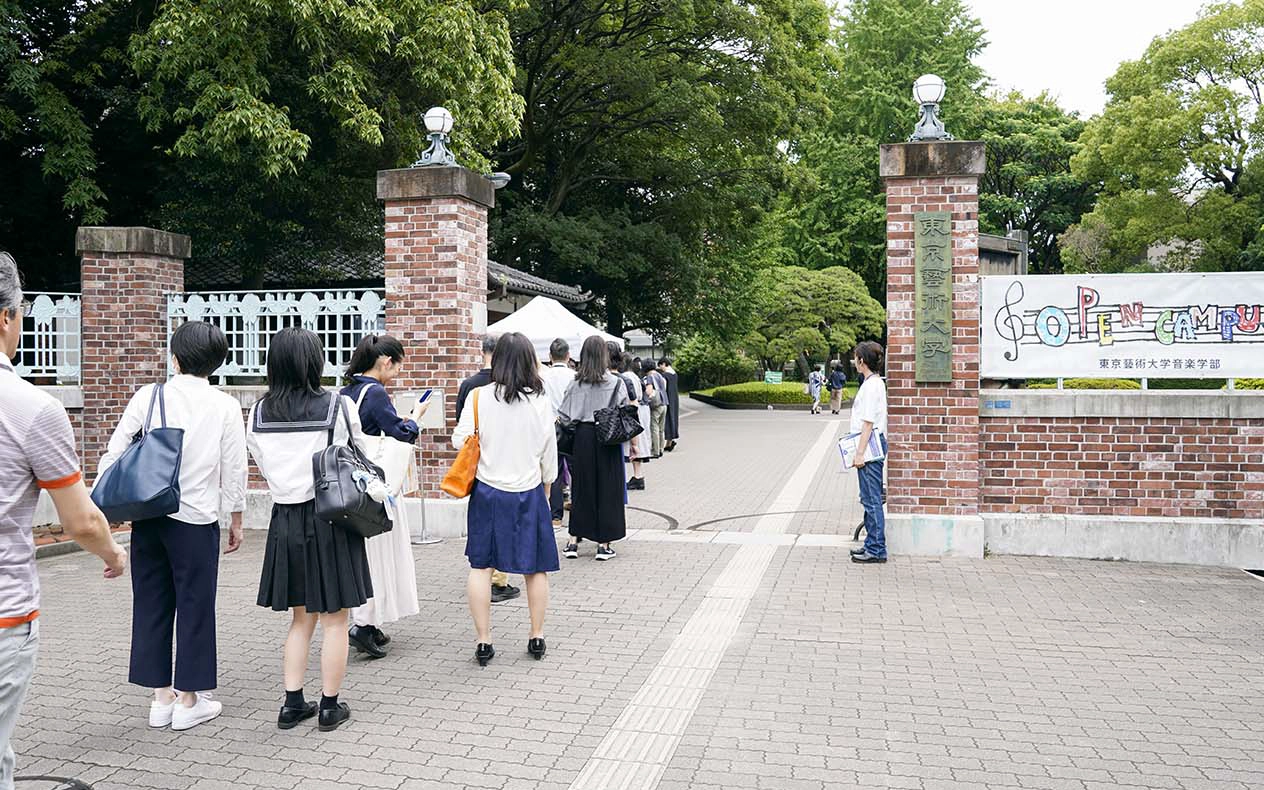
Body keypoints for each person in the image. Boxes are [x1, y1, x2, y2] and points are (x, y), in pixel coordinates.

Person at [0, 252, 128, 788]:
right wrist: (113, 554)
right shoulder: (32, 410)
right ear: (4, 316)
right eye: (21, 311)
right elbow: (81, 521)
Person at [99, 320, 247, 731]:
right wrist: (235, 517)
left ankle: (159, 698)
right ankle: (189, 700)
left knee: (151, 602)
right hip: (197, 520)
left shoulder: (150, 396)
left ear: (176, 358)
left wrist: (108, 507)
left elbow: (114, 453)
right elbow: (234, 468)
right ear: (217, 362)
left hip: (149, 516)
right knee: (195, 606)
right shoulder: (225, 405)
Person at [247, 327, 372, 732]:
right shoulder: (336, 407)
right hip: (330, 517)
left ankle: (292, 703)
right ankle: (330, 707)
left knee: (301, 619)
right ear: (314, 361)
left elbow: (263, 467)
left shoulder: (258, 412)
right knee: (336, 619)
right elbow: (360, 456)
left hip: (285, 520)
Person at [452, 333, 559, 665]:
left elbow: (460, 440)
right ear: (530, 361)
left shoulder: (478, 397)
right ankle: (536, 636)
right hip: (528, 491)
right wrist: (548, 485)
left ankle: (484, 641)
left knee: (481, 566)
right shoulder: (540, 401)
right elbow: (548, 452)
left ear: (496, 360)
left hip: (487, 492)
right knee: (536, 567)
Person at [341, 334, 428, 659]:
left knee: (362, 554)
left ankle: (368, 621)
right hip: (377, 485)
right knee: (378, 554)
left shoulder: (347, 390)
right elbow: (400, 433)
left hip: (351, 483)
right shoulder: (375, 392)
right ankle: (363, 626)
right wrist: (416, 416)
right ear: (386, 361)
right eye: (398, 363)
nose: (399, 369)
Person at [456, 335, 520, 603]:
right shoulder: (515, 388)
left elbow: (461, 431)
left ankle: (486, 576)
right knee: (506, 528)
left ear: (482, 352)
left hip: (480, 469)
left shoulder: (471, 386)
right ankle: (499, 579)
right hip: (512, 470)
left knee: (484, 531)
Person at [559, 337, 629, 561]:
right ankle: (603, 544)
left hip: (582, 437)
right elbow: (624, 410)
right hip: (607, 438)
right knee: (608, 489)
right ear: (604, 355)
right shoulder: (616, 383)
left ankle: (573, 541)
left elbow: (564, 416)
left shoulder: (575, 384)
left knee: (581, 488)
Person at [849, 341, 889, 564]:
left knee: (872, 498)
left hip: (870, 446)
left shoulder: (872, 386)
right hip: (872, 444)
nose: (854, 361)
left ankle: (876, 548)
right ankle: (870, 544)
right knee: (868, 497)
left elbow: (867, 423)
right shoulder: (873, 383)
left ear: (862, 361)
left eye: (856, 357)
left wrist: (860, 453)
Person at [539, 338, 575, 527]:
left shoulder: (543, 377)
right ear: (568, 356)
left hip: (551, 426)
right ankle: (577, 510)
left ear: (550, 356)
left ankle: (555, 516)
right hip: (572, 426)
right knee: (575, 470)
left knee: (553, 471)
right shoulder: (575, 376)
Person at [610, 345, 647, 490]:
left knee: (628, 449)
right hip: (636, 412)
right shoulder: (634, 378)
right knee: (635, 446)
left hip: (628, 415)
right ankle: (638, 476)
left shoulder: (624, 378)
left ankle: (636, 477)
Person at [642, 358, 668, 458]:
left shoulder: (649, 376)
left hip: (656, 405)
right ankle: (661, 449)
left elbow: (649, 391)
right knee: (661, 428)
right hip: (664, 403)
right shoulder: (659, 375)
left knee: (654, 428)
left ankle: (655, 451)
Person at [657, 358, 681, 451]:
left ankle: (669, 443)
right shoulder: (674, 374)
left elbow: (663, 388)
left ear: (664, 364)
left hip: (667, 399)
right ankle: (670, 442)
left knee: (667, 420)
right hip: (674, 398)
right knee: (673, 418)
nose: (661, 368)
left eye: (660, 366)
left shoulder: (665, 375)